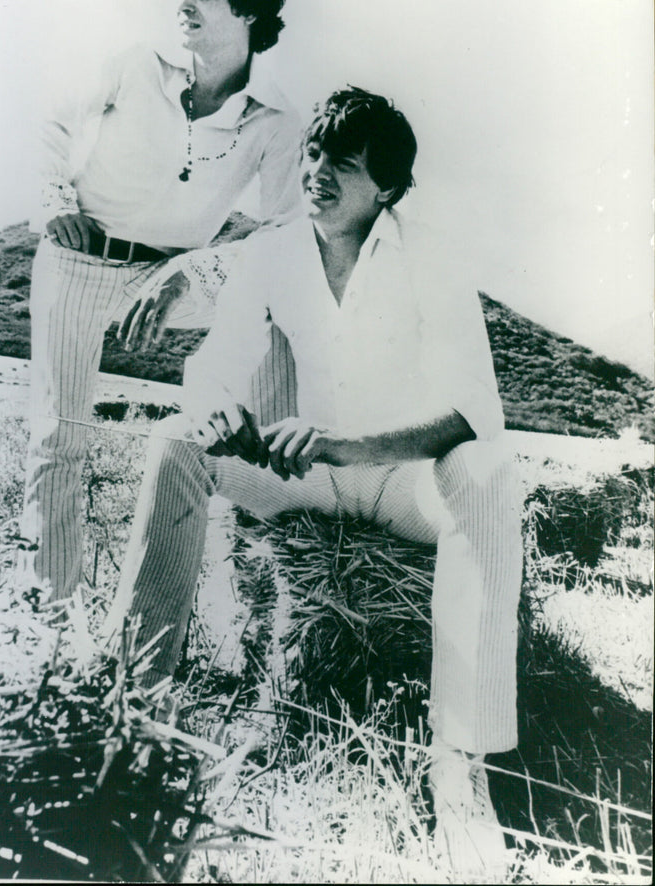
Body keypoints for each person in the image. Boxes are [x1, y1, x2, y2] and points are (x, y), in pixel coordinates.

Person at [102, 87, 524, 873]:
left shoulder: (431, 253)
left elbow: (473, 412)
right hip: (305, 477)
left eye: (345, 161)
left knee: (493, 473)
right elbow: (217, 369)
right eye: (315, 152)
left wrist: (342, 446)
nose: (319, 170)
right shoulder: (273, 250)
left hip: (405, 488)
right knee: (175, 443)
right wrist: (218, 415)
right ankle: (133, 705)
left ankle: (460, 771)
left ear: (388, 187)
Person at [21, 0, 303, 599]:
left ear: (249, 13)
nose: (183, 3)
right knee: (61, 441)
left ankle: (264, 586)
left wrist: (193, 273)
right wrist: (55, 198)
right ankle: (45, 629)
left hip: (177, 277)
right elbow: (51, 126)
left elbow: (289, 234)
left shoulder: (275, 120)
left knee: (283, 319)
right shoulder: (132, 62)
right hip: (82, 259)